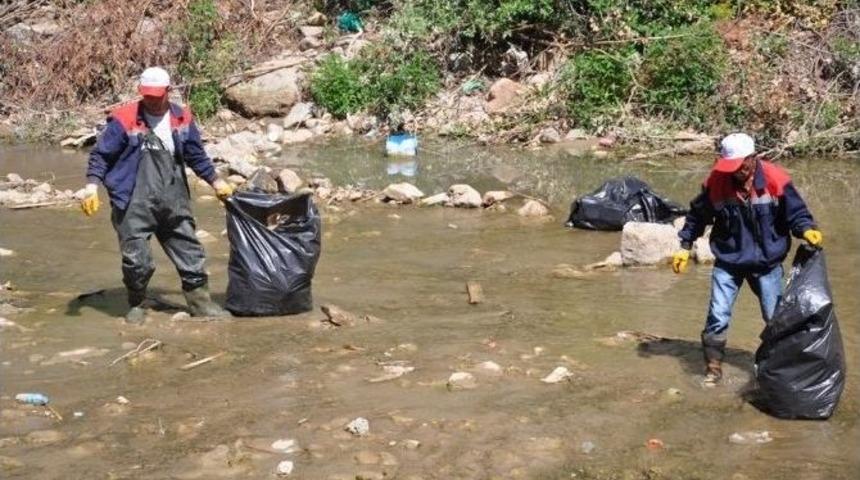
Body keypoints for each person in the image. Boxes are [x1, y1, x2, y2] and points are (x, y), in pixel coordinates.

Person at [79, 67, 234, 324]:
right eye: (146, 95)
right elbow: (101, 156)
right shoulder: (124, 119)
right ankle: (136, 304)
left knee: (192, 254)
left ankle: (201, 304)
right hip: (132, 202)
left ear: (168, 92)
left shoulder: (181, 118)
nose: (151, 99)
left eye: (156, 95)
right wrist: (91, 186)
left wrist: (217, 182)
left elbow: (196, 155)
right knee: (137, 261)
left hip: (174, 201)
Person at [671, 133, 823, 386]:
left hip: (767, 263)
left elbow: (796, 213)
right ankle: (713, 367)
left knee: (775, 318)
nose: (736, 172)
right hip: (729, 261)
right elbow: (698, 216)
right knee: (718, 315)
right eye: (730, 166)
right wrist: (685, 245)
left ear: (753, 159)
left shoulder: (776, 179)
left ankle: (779, 367)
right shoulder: (717, 182)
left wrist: (806, 229)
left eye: (741, 165)